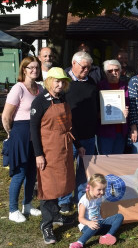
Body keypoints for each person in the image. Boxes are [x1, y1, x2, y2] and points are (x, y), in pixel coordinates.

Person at [30, 67, 85, 244]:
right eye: (57, 81)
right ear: (49, 81)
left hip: (64, 148)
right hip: (47, 150)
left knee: (61, 184)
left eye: (63, 82)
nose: (60, 85)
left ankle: (56, 216)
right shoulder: (40, 102)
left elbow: (70, 125)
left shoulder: (63, 99)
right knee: (48, 187)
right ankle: (46, 225)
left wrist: (78, 144)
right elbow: (33, 130)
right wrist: (38, 154)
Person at [2, 56, 43, 223]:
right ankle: (13, 209)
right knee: (20, 173)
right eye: (30, 67)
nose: (34, 70)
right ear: (24, 70)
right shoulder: (18, 88)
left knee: (33, 173)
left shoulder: (40, 88)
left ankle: (27, 205)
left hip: (36, 135)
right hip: (20, 134)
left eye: (37, 68)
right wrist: (10, 134)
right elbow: (6, 116)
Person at [60, 51, 99, 213]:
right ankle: (64, 200)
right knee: (67, 169)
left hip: (89, 135)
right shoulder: (63, 83)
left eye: (89, 68)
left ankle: (81, 198)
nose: (86, 70)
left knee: (84, 170)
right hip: (70, 134)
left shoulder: (91, 81)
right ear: (73, 63)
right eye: (83, 67)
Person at [69, 174, 124, 248]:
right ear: (91, 187)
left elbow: (98, 209)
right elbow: (80, 218)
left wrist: (102, 220)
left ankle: (108, 236)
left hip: (99, 223)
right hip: (87, 227)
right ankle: (79, 242)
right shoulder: (84, 200)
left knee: (119, 216)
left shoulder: (99, 197)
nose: (102, 192)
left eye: (104, 189)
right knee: (96, 224)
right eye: (99, 190)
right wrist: (89, 223)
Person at [97, 60, 129, 155]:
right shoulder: (100, 86)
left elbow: (131, 106)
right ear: (105, 73)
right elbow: (94, 108)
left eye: (116, 70)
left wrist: (127, 112)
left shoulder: (125, 86)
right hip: (105, 132)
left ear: (120, 71)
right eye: (110, 71)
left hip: (121, 132)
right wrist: (100, 114)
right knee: (105, 163)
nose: (114, 73)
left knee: (117, 163)